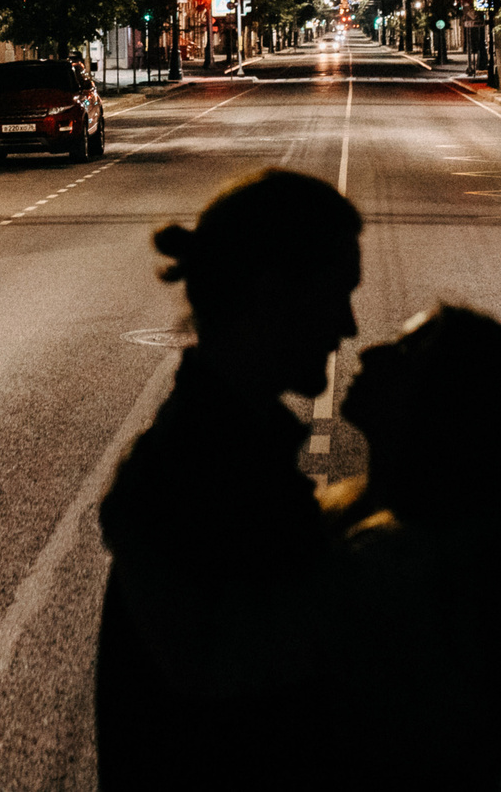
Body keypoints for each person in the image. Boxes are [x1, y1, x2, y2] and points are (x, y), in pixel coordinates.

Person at [94, 168, 363, 790]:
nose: (349, 327)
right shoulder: (201, 470)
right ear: (272, 294)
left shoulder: (228, 446)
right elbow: (233, 686)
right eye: (337, 293)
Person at [333, 303, 501, 789]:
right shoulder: (435, 548)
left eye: (408, 352)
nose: (369, 349)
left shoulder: (391, 572)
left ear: (444, 408)